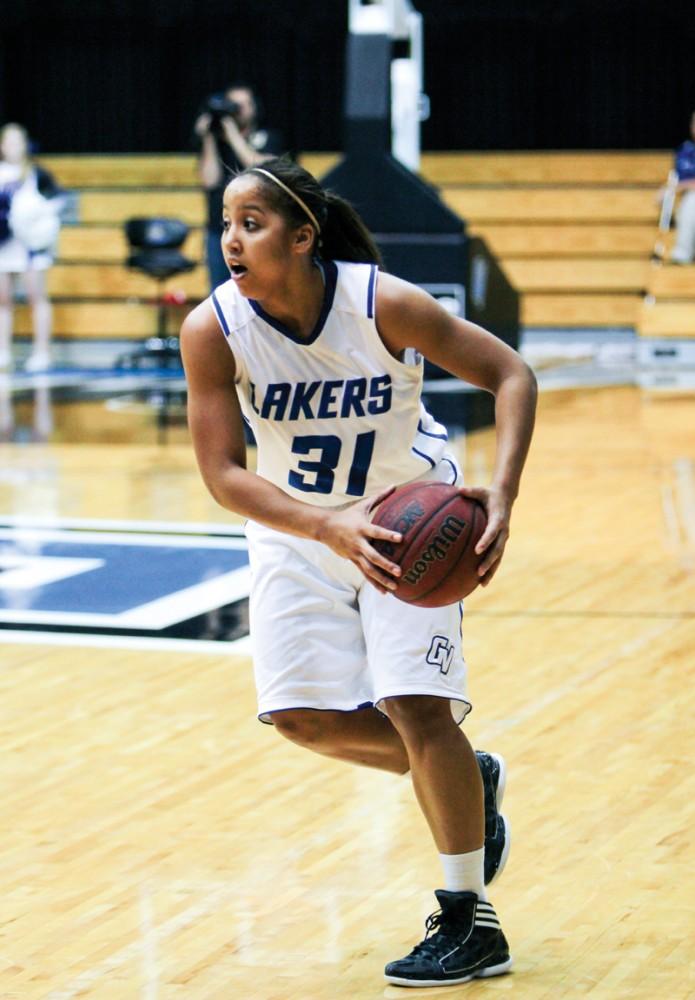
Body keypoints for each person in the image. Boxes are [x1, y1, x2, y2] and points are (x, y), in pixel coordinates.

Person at [180, 156, 537, 987]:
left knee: (416, 707)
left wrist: (505, 494)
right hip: (299, 530)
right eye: (225, 224)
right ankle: (467, 777)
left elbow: (510, 374)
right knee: (303, 721)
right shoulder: (213, 328)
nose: (230, 240)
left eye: (252, 224)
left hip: (405, 522)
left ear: (302, 236)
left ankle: (467, 916)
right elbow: (223, 474)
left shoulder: (382, 303)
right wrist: (321, 526)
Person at [193, 83, 283, 291]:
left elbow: (263, 167)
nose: (239, 109)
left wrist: (233, 136)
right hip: (220, 230)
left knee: (257, 291)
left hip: (257, 230)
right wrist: (208, 138)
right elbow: (209, 180)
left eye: (244, 104)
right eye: (234, 104)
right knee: (219, 292)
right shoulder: (216, 142)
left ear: (254, 108)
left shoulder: (268, 137)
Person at [0, 123, 63, 372]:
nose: (14, 147)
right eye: (9, 142)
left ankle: (42, 351)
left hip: (30, 247)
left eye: (19, 142)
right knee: (3, 301)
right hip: (4, 245)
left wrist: (39, 217)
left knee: (37, 298)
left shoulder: (36, 173)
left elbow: (58, 201)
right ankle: (4, 350)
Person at [658, 110, 695, 264]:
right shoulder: (686, 151)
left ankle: (682, 254)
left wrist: (682, 186)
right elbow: (676, 181)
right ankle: (681, 254)